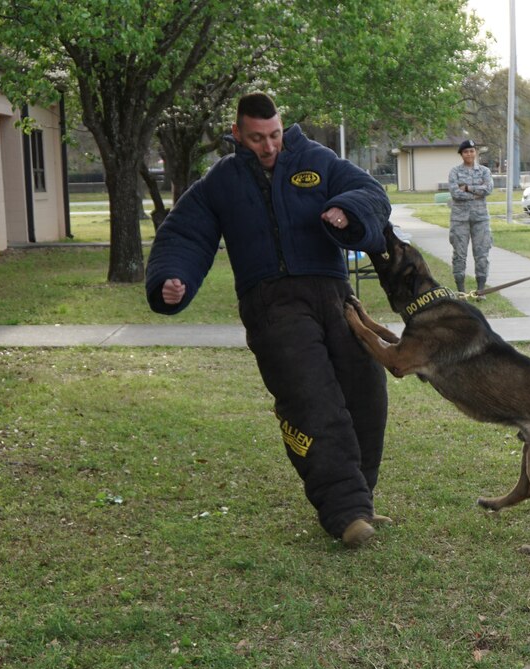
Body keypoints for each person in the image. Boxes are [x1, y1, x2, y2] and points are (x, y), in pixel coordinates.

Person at [145, 92, 393, 549]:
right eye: (257, 138)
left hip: (334, 295)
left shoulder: (318, 160)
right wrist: (171, 277)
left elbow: (373, 194)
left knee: (366, 391)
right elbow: (183, 232)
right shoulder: (221, 181)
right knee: (311, 402)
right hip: (272, 306)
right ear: (237, 134)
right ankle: (345, 512)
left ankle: (361, 495)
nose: (268, 146)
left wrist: (349, 209)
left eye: (275, 134)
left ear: (283, 128)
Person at [447, 139, 494, 293]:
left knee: (482, 254)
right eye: (466, 151)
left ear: (476, 153)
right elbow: (455, 193)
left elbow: (488, 189)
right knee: (459, 255)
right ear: (461, 154)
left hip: (480, 219)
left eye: (472, 151)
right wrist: (476, 194)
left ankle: (481, 290)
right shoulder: (455, 172)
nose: (469, 154)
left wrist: (467, 188)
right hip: (460, 219)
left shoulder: (484, 171)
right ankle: (461, 290)